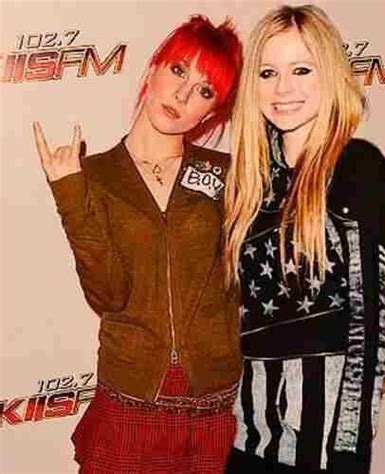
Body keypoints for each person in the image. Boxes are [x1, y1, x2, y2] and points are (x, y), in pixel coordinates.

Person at [33, 15, 242, 474]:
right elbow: (107, 294)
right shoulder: (97, 176)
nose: (184, 95)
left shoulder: (230, 173)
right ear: (153, 70)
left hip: (209, 407)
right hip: (130, 400)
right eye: (179, 71)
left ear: (212, 112)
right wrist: (70, 195)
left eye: (205, 91)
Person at [224, 5, 385, 474]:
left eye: (302, 69)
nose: (283, 89)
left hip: (321, 453)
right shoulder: (250, 184)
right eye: (268, 72)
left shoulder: (357, 170)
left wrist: (348, 451)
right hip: (248, 440)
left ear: (331, 75)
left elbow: (368, 326)